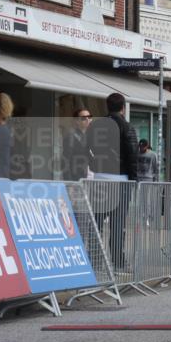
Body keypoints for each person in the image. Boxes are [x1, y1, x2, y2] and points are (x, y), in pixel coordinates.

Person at [87, 92, 139, 270]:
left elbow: (86, 147)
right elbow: (133, 155)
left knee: (97, 222)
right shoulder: (126, 126)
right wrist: (134, 179)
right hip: (120, 179)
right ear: (123, 108)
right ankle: (118, 262)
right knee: (118, 223)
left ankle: (94, 260)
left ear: (107, 106)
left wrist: (94, 165)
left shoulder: (95, 125)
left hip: (99, 178)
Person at [62, 108, 93, 181]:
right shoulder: (70, 138)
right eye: (83, 118)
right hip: (77, 180)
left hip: (91, 179)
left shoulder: (90, 136)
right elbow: (65, 162)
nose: (88, 120)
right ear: (77, 121)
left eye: (89, 117)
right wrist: (69, 183)